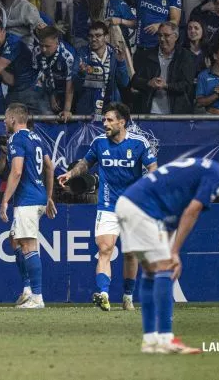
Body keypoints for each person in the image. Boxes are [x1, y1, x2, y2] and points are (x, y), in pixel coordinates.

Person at [117, 158, 219, 354]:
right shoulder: (216, 174)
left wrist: (170, 250)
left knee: (150, 271)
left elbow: (174, 220)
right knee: (165, 268)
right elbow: (192, 211)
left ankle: (150, 341)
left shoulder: (191, 180)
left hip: (128, 204)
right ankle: (166, 338)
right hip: (141, 209)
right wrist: (174, 253)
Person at [58, 103, 158, 312]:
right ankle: (103, 294)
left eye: (110, 120)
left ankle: (128, 296)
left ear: (122, 122)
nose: (105, 124)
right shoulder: (99, 142)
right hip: (107, 204)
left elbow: (152, 168)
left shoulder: (139, 143)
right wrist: (71, 174)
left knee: (131, 254)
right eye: (104, 120)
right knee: (105, 249)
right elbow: (86, 163)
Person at [0, 103, 56, 309]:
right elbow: (50, 166)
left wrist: (5, 200)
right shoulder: (37, 137)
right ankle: (28, 290)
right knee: (17, 242)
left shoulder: (17, 138)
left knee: (29, 245)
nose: (4, 122)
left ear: (13, 119)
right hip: (38, 197)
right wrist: (48, 196)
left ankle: (37, 297)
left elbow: (17, 171)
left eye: (5, 118)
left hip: (27, 200)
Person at [131, 22, 197, 115]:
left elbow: (187, 85)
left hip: (177, 114)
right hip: (150, 113)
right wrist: (148, 83)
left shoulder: (186, 57)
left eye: (166, 35)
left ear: (176, 36)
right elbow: (135, 81)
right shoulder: (146, 56)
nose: (162, 39)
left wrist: (166, 86)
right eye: (159, 35)